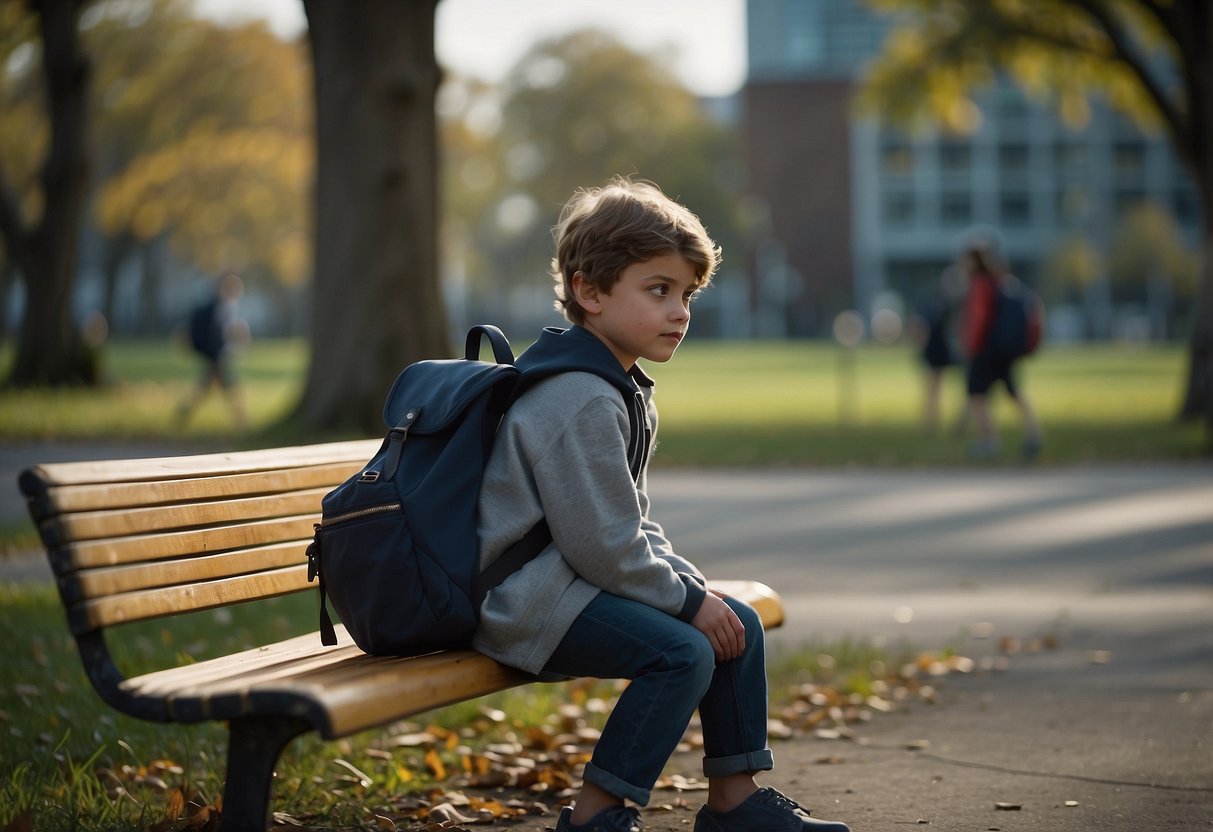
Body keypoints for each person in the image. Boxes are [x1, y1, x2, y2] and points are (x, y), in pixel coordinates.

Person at [473, 178, 851, 832]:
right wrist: (684, 603)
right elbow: (604, 546)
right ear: (589, 291)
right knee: (684, 650)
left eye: (686, 294)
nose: (679, 311)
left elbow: (631, 524)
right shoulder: (581, 397)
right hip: (520, 599)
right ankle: (595, 815)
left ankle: (735, 801)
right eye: (658, 291)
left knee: (736, 623)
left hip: (563, 583)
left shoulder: (616, 385)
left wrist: (693, 588)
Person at [960, 242, 1042, 460]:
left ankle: (989, 441)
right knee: (1013, 392)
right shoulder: (1003, 281)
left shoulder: (980, 284)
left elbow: (979, 319)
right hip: (1004, 349)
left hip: (985, 349)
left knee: (977, 395)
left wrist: (970, 346)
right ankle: (1034, 432)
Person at [177, 271, 248, 430]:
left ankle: (183, 413)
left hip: (216, 357)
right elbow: (215, 335)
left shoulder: (226, 308)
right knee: (229, 389)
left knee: (205, 389)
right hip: (216, 358)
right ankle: (242, 422)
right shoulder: (216, 309)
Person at [911, 264, 965, 435]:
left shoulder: (957, 303)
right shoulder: (939, 302)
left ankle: (957, 422)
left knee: (962, 388)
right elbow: (922, 326)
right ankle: (932, 423)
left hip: (949, 349)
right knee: (934, 389)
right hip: (937, 350)